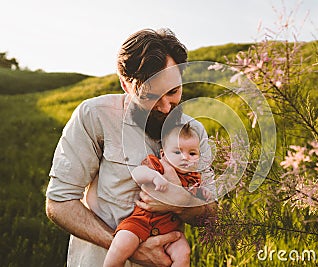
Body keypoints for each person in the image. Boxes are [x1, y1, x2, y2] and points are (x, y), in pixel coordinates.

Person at [45, 28, 216, 267]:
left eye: (174, 92)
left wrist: (179, 203)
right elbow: (59, 203)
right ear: (126, 85)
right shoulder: (95, 115)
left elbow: (210, 214)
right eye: (152, 96)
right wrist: (126, 248)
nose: (167, 107)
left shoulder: (194, 131)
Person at [104, 123, 213, 267]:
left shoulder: (194, 178)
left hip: (170, 229)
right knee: (122, 243)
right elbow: (137, 173)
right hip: (141, 221)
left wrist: (203, 193)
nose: (185, 158)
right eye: (177, 152)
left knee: (184, 253)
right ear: (163, 154)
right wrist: (154, 177)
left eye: (192, 153)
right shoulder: (158, 165)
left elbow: (194, 198)